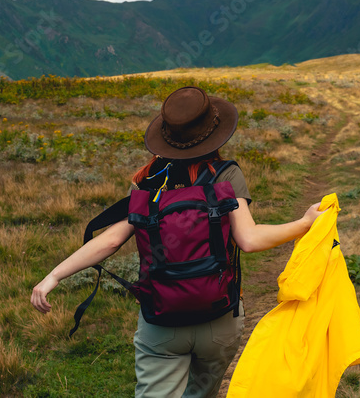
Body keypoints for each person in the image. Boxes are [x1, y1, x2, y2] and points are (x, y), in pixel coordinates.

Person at [31, 85, 323, 398]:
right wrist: (304, 223)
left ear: (167, 136)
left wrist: (53, 276)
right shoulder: (226, 174)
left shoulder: (147, 181)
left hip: (162, 319)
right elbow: (248, 239)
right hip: (219, 317)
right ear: (216, 133)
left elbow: (111, 241)